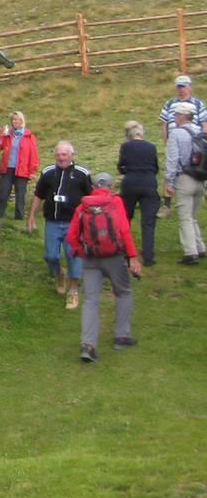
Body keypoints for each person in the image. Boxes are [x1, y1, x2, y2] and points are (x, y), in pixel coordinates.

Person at [66, 172, 142, 363]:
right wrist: (133, 258)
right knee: (124, 292)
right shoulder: (115, 202)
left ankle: (87, 345)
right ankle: (121, 336)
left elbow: (71, 236)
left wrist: (81, 252)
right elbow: (124, 230)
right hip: (114, 257)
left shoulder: (83, 205)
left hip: (91, 258)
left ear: (93, 185)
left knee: (91, 300)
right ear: (111, 185)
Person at [27, 140, 93, 307]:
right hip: (53, 222)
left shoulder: (82, 174)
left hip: (74, 224)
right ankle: (59, 274)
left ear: (72, 155)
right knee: (50, 256)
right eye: (58, 154)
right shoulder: (48, 172)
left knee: (74, 257)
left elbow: (90, 198)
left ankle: (73, 291)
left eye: (64, 154)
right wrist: (32, 217)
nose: (61, 158)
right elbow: (38, 195)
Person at [164, 104, 205, 265]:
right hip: (200, 178)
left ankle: (190, 252)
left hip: (184, 178)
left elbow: (172, 159)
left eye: (176, 114)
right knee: (193, 216)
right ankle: (200, 247)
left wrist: (169, 181)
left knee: (185, 217)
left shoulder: (176, 134)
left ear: (182, 116)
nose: (174, 117)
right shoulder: (201, 132)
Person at [117, 119, 160, 267]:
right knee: (148, 222)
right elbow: (155, 167)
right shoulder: (151, 147)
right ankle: (148, 256)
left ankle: (125, 252)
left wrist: (126, 171)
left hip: (130, 183)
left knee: (125, 219)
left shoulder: (126, 147)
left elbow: (120, 166)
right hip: (148, 183)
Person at [0, 111, 40, 222]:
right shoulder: (7, 134)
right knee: (2, 192)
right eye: (13, 119)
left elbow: (33, 154)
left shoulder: (29, 136)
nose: (15, 121)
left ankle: (19, 218)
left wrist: (32, 170)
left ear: (22, 121)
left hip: (22, 170)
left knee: (20, 194)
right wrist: (2, 135)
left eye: (17, 119)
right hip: (7, 168)